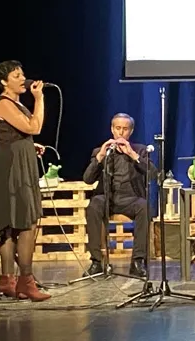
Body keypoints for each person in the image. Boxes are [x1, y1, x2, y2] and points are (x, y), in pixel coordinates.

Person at [0, 60, 50, 301]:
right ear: (4, 82)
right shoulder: (4, 103)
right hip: (12, 167)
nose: (23, 79)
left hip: (19, 161)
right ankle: (25, 281)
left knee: (15, 222)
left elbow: (16, 134)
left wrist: (29, 146)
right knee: (23, 223)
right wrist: (39, 98)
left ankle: (7, 280)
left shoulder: (16, 103)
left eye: (22, 74)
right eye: (16, 75)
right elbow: (34, 126)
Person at [83, 113, 156, 278]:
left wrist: (132, 155)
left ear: (131, 131)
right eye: (118, 128)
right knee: (94, 205)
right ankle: (96, 262)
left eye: (125, 129)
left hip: (131, 198)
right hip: (107, 197)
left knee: (144, 207)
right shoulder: (100, 151)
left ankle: (137, 261)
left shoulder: (140, 150)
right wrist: (100, 157)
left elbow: (153, 174)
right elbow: (87, 179)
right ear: (112, 129)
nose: (121, 132)